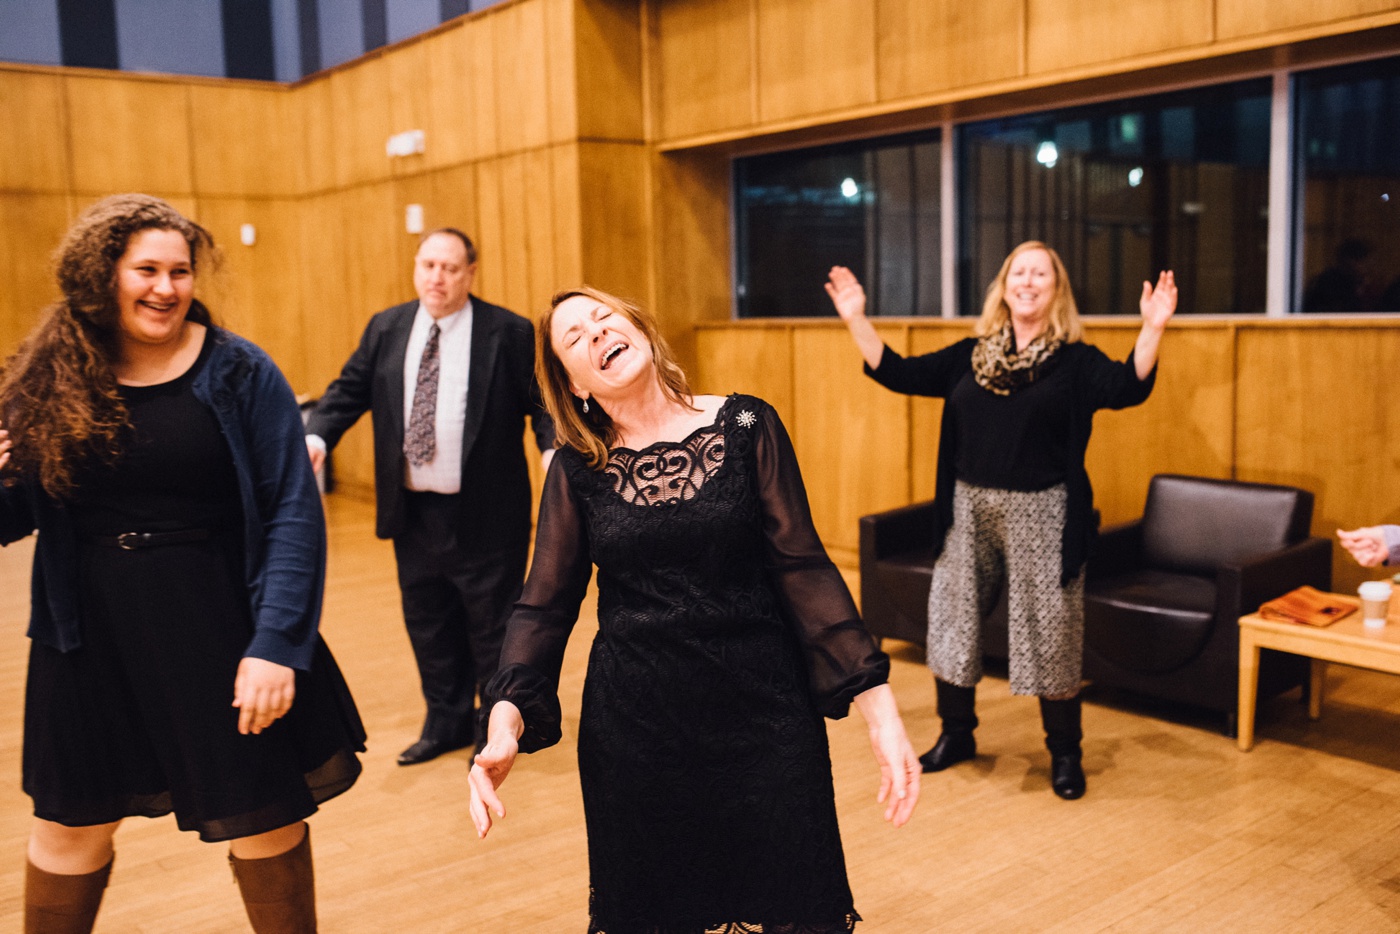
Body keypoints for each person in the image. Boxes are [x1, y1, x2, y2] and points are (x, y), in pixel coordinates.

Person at [467, 287, 920, 932]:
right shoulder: (575, 471)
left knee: (795, 896)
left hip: (765, 713)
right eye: (574, 339)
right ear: (574, 388)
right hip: (638, 731)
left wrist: (878, 708)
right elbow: (542, 606)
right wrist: (505, 719)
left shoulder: (745, 426)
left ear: (640, 329)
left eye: (604, 317)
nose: (596, 334)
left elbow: (802, 566)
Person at [0, 193, 365, 933]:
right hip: (87, 638)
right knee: (71, 827)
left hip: (216, 625)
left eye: (180, 271)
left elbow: (293, 513)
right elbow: (16, 516)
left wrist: (276, 646)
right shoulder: (50, 371)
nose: (165, 288)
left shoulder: (239, 373)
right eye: (146, 270)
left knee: (264, 819)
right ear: (101, 274)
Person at [825, 241, 1176, 800]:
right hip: (968, 505)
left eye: (1041, 273)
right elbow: (897, 372)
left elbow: (1129, 386)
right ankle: (956, 735)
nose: (1029, 281)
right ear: (1004, 286)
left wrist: (1153, 327)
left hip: (1045, 510)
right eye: (1019, 272)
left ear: (1056, 288)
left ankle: (1065, 756)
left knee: (1051, 633)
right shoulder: (973, 354)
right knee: (952, 619)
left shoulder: (1074, 361)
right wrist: (856, 319)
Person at [304, 228, 554, 766]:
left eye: (449, 268)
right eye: (427, 266)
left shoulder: (506, 331)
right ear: (416, 268)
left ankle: (494, 731)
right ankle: (445, 722)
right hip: (413, 511)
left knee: (492, 627)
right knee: (429, 622)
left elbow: (543, 403)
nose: (436, 277)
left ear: (470, 273)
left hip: (486, 511)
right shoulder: (387, 327)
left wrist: (553, 451)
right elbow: (347, 390)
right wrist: (317, 435)